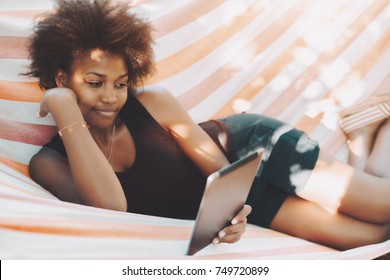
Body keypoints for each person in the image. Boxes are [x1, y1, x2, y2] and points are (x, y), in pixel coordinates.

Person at [26, 0, 390, 250]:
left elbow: (223, 171)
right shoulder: (48, 164)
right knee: (373, 238)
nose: (110, 97)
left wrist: (233, 209)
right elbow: (109, 207)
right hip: (233, 203)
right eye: (94, 83)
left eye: (120, 83)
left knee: (386, 207)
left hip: (254, 151)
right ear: (62, 79)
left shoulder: (153, 102)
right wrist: (65, 108)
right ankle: (361, 136)